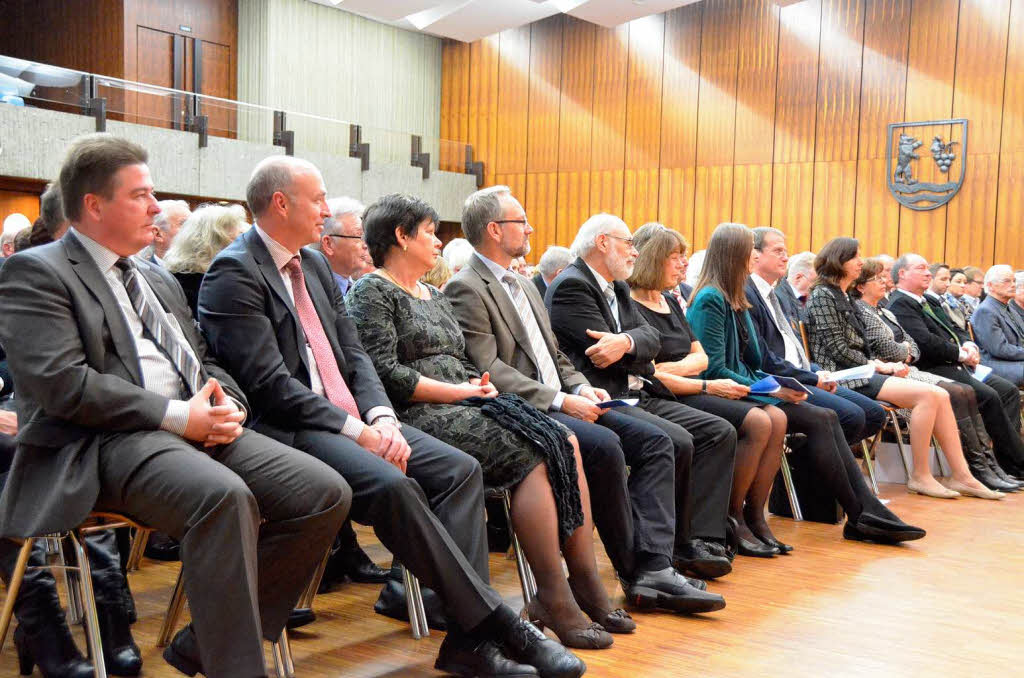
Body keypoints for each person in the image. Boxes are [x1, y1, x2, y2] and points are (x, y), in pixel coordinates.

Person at [198, 157, 583, 678]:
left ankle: (468, 635)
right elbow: (271, 386)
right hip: (290, 427)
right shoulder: (234, 271)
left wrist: (380, 417)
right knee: (396, 485)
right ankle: (491, 626)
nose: (327, 210)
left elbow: (355, 356)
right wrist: (359, 430)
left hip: (354, 418)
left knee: (458, 470)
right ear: (281, 203)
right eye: (318, 200)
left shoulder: (311, 265)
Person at [0, 133, 350, 678]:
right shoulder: (38, 272)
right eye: (140, 195)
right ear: (94, 205)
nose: (157, 207)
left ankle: (205, 645)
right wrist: (176, 416)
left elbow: (202, 357)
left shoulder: (153, 275)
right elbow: (62, 385)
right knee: (224, 498)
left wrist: (224, 401)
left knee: (324, 492)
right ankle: (236, 666)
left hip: (191, 426)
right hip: (103, 440)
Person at [348, 193, 643, 651]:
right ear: (400, 237)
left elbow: (466, 359)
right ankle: (555, 596)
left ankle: (584, 583)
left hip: (466, 400)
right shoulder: (372, 290)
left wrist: (475, 383)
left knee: (563, 439)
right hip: (419, 413)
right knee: (530, 453)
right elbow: (383, 373)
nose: (438, 240)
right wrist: (463, 390)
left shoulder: (432, 293)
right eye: (428, 231)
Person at [446, 187, 721, 614]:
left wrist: (577, 387)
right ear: (495, 230)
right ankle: (637, 572)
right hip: (521, 408)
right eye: (521, 221)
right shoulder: (465, 286)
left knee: (658, 441)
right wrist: (560, 399)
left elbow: (555, 354)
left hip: (566, 396)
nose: (530, 228)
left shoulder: (522, 282)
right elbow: (491, 369)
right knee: (612, 446)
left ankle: (653, 567)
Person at [687, 223, 925, 543]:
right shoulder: (710, 299)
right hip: (725, 390)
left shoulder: (735, 298)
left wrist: (779, 382)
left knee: (826, 416)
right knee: (819, 416)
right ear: (735, 254)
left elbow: (758, 359)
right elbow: (714, 369)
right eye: (750, 251)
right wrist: (770, 387)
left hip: (751, 384)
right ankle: (750, 515)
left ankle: (856, 513)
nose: (753, 257)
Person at [546, 214, 738, 580]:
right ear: (603, 243)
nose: (634, 251)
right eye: (628, 242)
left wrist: (628, 342)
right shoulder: (573, 285)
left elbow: (651, 338)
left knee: (700, 435)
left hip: (633, 390)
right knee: (669, 442)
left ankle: (682, 546)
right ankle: (656, 559)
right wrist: (631, 345)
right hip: (598, 396)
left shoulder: (616, 287)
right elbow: (600, 351)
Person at [628, 223, 789, 557]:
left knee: (774, 416)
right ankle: (721, 523)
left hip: (686, 385)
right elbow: (654, 373)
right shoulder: (633, 304)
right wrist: (691, 373)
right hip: (667, 393)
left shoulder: (670, 302)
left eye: (684, 256)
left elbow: (700, 357)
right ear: (654, 258)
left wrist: (678, 367)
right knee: (752, 423)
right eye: (675, 256)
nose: (683, 264)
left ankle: (745, 516)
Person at [805, 238, 1001, 500]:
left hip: (863, 371)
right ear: (838, 261)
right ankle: (920, 475)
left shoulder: (842, 295)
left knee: (941, 395)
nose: (861, 262)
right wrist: (877, 364)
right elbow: (838, 350)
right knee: (928, 395)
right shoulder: (823, 295)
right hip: (842, 376)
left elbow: (861, 345)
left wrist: (878, 364)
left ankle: (962, 474)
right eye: (855, 257)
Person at [851, 259, 1020, 492]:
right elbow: (899, 346)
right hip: (908, 369)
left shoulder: (887, 310)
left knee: (983, 392)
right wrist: (906, 353)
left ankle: (983, 468)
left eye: (883, 277)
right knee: (958, 392)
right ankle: (973, 469)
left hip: (916, 366)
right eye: (877, 279)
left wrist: (966, 346)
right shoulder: (881, 307)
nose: (884, 282)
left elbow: (916, 343)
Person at [745, 227, 885, 447]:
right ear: (755, 254)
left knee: (874, 413)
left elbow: (792, 349)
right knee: (851, 416)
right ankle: (809, 469)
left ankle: (811, 464)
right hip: (777, 380)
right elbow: (765, 357)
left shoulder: (774, 295)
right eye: (778, 251)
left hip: (804, 372)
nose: (786, 257)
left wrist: (815, 372)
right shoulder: (748, 293)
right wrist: (812, 378)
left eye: (786, 251)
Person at [163, 203, 247, 316]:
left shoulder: (170, 278)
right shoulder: (217, 287)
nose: (243, 248)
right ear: (214, 244)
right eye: (236, 241)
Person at [972, 265, 1024, 387]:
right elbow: (999, 349)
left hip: (1014, 360)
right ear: (990, 286)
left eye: (1014, 281)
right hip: (996, 364)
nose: (1013, 285)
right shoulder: (986, 311)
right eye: (1007, 281)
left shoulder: (1008, 306)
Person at [314, 196, 372, 297]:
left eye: (365, 236)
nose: (365, 245)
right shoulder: (311, 291)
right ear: (328, 244)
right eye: (359, 236)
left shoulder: (361, 292)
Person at [143, 199, 190, 265]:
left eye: (193, 224)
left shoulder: (203, 272)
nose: (193, 230)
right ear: (158, 234)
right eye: (184, 224)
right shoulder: (140, 274)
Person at [777, 250, 815, 323]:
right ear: (798, 278)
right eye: (814, 282)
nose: (818, 287)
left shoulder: (805, 299)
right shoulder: (779, 300)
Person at [928, 263, 967, 331]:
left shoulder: (945, 302)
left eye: (949, 279)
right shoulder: (924, 301)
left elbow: (956, 327)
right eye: (943, 279)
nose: (948, 284)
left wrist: (967, 341)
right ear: (930, 279)